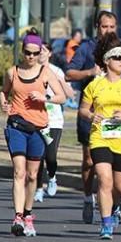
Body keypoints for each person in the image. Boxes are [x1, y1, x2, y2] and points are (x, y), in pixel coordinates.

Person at [66, 11, 121, 224]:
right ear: (97, 27)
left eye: (112, 27)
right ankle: (88, 197)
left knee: (112, 168)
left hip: (116, 118)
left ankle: (111, 204)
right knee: (89, 161)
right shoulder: (87, 48)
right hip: (92, 113)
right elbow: (69, 73)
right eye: (105, 27)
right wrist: (89, 73)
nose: (109, 31)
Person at [0, 32, 67, 237]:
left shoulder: (46, 73)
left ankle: (28, 214)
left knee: (32, 175)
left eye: (35, 53)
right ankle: (17, 216)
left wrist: (45, 97)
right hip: (16, 126)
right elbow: (4, 91)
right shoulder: (12, 72)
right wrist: (4, 103)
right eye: (27, 53)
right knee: (19, 172)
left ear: (40, 53)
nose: (31, 57)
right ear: (22, 52)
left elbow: (62, 96)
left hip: (38, 128)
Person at [78, 34, 121, 239]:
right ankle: (106, 223)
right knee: (105, 180)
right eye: (117, 57)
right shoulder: (94, 85)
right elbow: (82, 110)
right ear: (106, 61)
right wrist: (91, 115)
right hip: (100, 138)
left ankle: (115, 206)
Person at [35, 41, 76, 203]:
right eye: (38, 51)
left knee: (50, 156)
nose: (40, 54)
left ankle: (52, 176)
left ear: (50, 53)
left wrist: (60, 80)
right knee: (37, 156)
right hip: (36, 119)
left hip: (54, 120)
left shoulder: (56, 71)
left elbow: (70, 95)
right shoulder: (31, 71)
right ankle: (38, 189)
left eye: (44, 50)